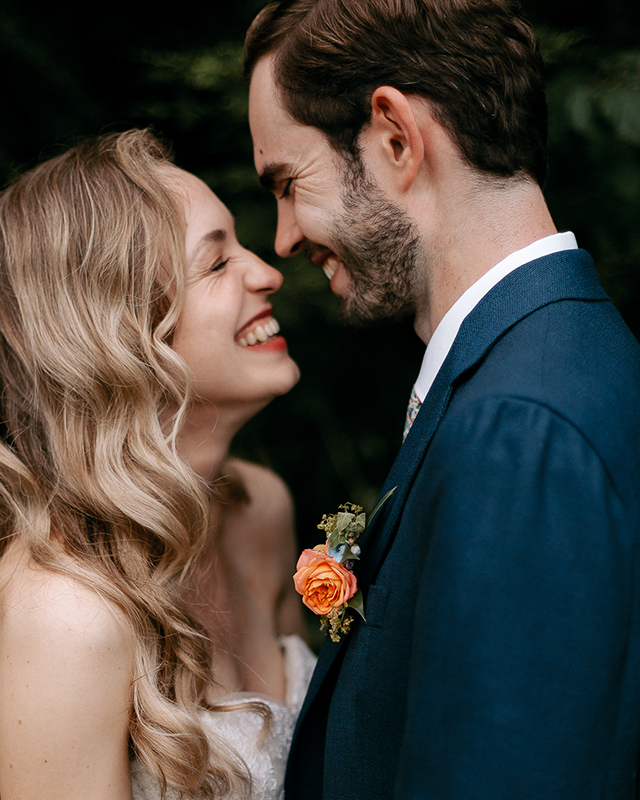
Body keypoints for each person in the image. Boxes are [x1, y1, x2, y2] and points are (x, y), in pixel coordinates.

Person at [244, 0, 640, 797]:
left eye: (290, 181)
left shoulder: (517, 434)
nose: (282, 237)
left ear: (395, 137)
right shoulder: (568, 359)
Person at [0, 129, 314, 800]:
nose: (267, 271)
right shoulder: (66, 613)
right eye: (216, 265)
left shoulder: (260, 510)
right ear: (118, 336)